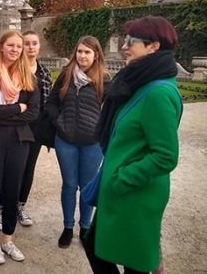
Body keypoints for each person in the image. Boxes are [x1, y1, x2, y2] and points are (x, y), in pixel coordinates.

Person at [83, 16, 183, 274]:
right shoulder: (141, 82)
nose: (124, 46)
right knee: (97, 245)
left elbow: (166, 155)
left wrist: (121, 178)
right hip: (122, 192)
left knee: (131, 262)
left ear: (153, 47)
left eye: (130, 41)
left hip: (134, 193)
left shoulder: (157, 92)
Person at [0, 30, 40, 265]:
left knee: (12, 191)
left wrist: (0, 116)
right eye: (11, 45)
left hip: (19, 140)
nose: (15, 49)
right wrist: (16, 109)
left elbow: (33, 113)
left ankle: (8, 239)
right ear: (1, 46)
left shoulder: (28, 79)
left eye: (19, 46)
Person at [46, 35, 111, 248]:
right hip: (66, 140)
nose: (82, 55)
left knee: (86, 186)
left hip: (92, 142)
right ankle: (67, 227)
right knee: (69, 184)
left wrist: (102, 130)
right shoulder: (66, 74)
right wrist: (59, 122)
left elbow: (112, 110)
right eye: (80, 51)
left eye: (87, 52)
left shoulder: (103, 77)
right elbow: (52, 102)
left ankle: (85, 227)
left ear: (96, 55)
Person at [14, 30, 52, 227]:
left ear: (39, 46)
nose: (30, 47)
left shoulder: (44, 72)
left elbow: (49, 100)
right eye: (26, 43)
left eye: (34, 43)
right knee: (12, 166)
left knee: (29, 167)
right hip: (16, 125)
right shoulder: (13, 69)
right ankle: (5, 206)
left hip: (36, 127)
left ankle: (21, 205)